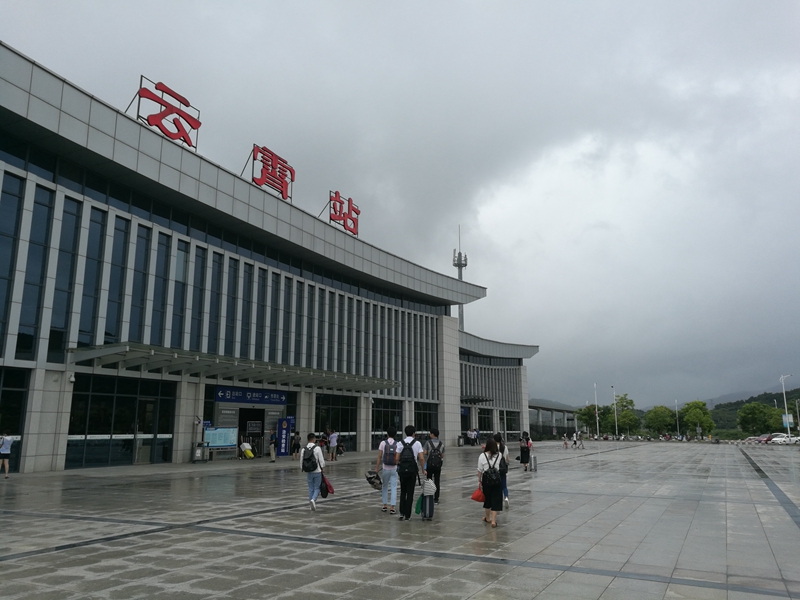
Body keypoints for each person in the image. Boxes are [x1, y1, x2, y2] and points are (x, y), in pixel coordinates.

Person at [396, 425, 425, 521]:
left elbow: (397, 458)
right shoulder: (417, 443)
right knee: (410, 492)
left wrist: (398, 466)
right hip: (412, 471)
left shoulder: (400, 443)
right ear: (413, 433)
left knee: (403, 491)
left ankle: (401, 513)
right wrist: (423, 469)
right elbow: (421, 458)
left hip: (402, 471)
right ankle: (407, 515)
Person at [477, 438, 503, 527]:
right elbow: (499, 447)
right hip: (496, 479)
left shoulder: (482, 456)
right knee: (496, 499)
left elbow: (479, 470)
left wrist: (479, 480)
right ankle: (493, 521)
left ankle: (488, 518)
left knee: (487, 498)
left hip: (486, 479)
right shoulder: (499, 455)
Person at [375, 426, 399, 515]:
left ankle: (384, 505)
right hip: (394, 469)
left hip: (385, 468)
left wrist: (376, 468)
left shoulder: (383, 443)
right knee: (393, 487)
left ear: (387, 434)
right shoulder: (398, 444)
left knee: (384, 486)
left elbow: (379, 456)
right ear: (395, 434)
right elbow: (398, 457)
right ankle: (392, 507)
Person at [300, 433, 325, 511]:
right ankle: (313, 500)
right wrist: (322, 467)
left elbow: (301, 460)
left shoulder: (303, 449)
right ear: (314, 439)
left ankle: (311, 505)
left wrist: (302, 468)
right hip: (317, 470)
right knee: (317, 487)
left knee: (310, 488)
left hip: (309, 471)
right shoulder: (317, 448)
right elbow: (321, 460)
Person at [423, 427, 444, 504]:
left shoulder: (428, 442)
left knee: (429, 481)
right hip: (438, 465)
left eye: (430, 433)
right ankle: (436, 499)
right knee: (437, 481)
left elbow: (425, 452)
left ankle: (429, 497)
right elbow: (442, 455)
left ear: (432, 434)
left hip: (430, 465)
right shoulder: (441, 443)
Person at [492, 432, 510, 507]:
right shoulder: (504, 447)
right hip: (502, 468)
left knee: (495, 486)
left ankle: (496, 500)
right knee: (504, 485)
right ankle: (506, 497)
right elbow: (507, 458)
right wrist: (506, 464)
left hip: (495, 469)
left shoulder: (492, 447)